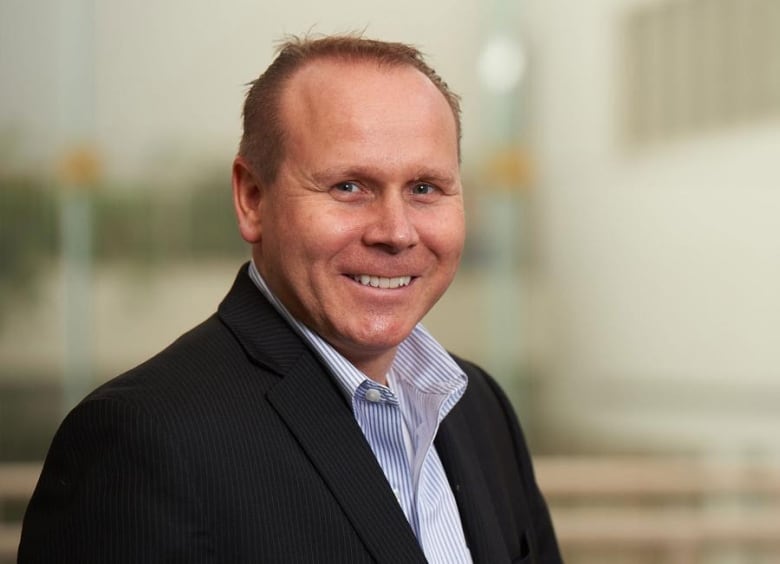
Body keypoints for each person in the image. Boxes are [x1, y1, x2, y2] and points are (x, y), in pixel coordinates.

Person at [19, 35, 562, 563]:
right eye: (349, 186)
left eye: (425, 188)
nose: (396, 232)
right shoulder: (139, 442)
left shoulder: (478, 407)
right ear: (252, 198)